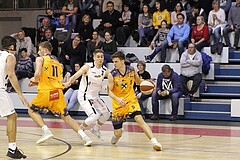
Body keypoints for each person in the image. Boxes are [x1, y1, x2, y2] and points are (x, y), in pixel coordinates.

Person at [28, 41, 92, 146]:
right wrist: (37, 82)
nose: (38, 52)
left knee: (31, 110)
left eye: (39, 50)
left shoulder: (40, 59)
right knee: (66, 116)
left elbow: (38, 74)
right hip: (57, 92)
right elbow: (52, 79)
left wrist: (33, 79)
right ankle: (85, 137)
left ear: (44, 50)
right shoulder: (57, 62)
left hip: (46, 92)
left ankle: (46, 131)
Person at [107, 51, 162, 151]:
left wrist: (147, 83)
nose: (114, 64)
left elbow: (138, 82)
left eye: (116, 61)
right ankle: (117, 135)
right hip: (118, 104)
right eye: (113, 62)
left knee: (139, 119)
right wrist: (118, 99)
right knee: (117, 132)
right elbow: (109, 92)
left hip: (131, 100)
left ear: (122, 61)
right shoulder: (112, 75)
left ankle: (155, 142)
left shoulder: (132, 70)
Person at [67, 49, 111, 141]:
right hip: (84, 95)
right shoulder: (88, 67)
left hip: (95, 96)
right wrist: (68, 83)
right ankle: (81, 130)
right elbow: (75, 76)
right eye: (98, 57)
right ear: (94, 58)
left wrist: (108, 85)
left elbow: (114, 78)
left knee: (107, 114)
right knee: (94, 115)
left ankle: (96, 129)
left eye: (102, 57)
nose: (100, 59)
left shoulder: (105, 70)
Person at [0, 36, 29, 159]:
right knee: (12, 116)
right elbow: (11, 75)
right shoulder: (10, 56)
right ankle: (12, 149)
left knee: (10, 116)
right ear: (12, 47)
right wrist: (20, 94)